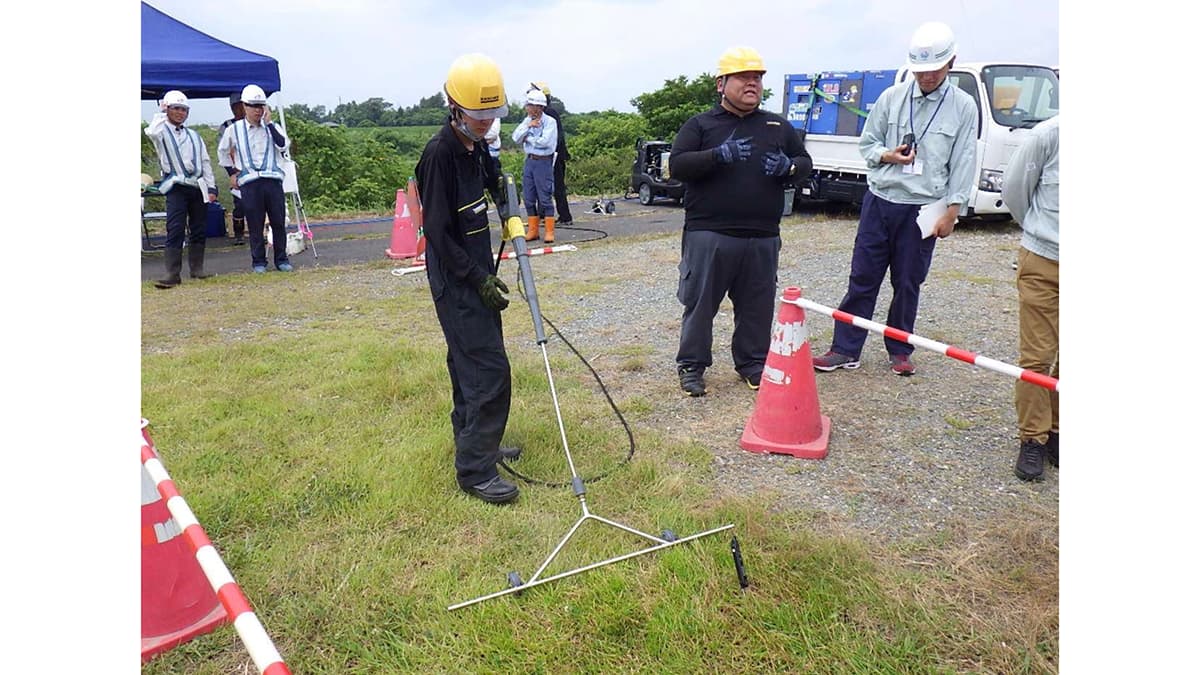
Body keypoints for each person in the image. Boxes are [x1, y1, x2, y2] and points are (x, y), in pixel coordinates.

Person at [812, 21, 977, 376]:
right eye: (919, 71)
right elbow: (867, 143)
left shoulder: (963, 107)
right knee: (863, 277)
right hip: (881, 199)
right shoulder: (892, 97)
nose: (926, 77)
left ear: (951, 63)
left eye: (933, 70)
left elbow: (964, 160)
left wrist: (952, 211)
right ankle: (845, 348)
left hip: (924, 207)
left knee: (907, 281)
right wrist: (889, 155)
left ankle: (900, 348)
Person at [667, 46, 811, 396]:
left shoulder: (776, 125)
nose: (753, 83)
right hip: (710, 233)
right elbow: (678, 165)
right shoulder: (701, 124)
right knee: (700, 305)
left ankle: (752, 364)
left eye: (758, 78)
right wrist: (717, 156)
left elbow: (805, 163)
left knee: (757, 306)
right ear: (721, 83)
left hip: (762, 235)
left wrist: (789, 168)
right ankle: (692, 366)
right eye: (744, 77)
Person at [416, 53, 521, 504]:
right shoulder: (440, 154)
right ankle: (476, 471)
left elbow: (488, 179)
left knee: (468, 364)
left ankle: (476, 443)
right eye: (479, 116)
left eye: (492, 116)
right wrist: (475, 278)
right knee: (488, 370)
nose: (486, 123)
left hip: (478, 272)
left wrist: (499, 186)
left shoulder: (473, 146)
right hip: (458, 280)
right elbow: (437, 232)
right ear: (454, 106)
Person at [1002, 115, 1059, 481]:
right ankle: (1033, 439)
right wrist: (1040, 234)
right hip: (1045, 260)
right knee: (1037, 358)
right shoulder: (1049, 136)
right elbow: (1015, 191)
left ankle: (1058, 432)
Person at [144, 90, 219, 289]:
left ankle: (197, 269)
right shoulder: (160, 131)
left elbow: (205, 162)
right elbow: (151, 131)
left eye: (184, 109)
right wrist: (162, 112)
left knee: (199, 228)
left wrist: (212, 187)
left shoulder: (194, 135)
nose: (180, 113)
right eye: (176, 108)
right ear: (168, 109)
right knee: (175, 228)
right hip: (175, 186)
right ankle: (172, 273)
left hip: (197, 185)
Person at [217, 83, 293, 273]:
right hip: (250, 182)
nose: (258, 110)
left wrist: (269, 124)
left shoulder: (272, 127)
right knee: (255, 223)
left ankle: (281, 259)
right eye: (254, 106)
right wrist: (232, 173)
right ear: (245, 106)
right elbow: (222, 152)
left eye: (261, 106)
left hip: (273, 180)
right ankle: (258, 262)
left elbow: (283, 146)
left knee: (278, 221)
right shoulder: (233, 130)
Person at [511, 88, 558, 243]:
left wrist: (528, 139)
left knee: (544, 197)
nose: (527, 108)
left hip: (543, 162)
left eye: (530, 105)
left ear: (539, 107)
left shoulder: (550, 122)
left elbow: (545, 142)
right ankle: (533, 230)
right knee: (529, 196)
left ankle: (549, 231)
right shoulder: (527, 120)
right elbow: (516, 137)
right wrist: (528, 127)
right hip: (529, 161)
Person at [530, 81, 574, 228]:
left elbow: (553, 138)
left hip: (554, 156)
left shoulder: (548, 114)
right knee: (544, 186)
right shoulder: (547, 113)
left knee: (557, 186)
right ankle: (544, 215)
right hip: (551, 155)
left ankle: (565, 216)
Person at [216, 91, 248, 245]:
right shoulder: (226, 126)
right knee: (240, 203)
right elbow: (224, 151)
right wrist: (232, 173)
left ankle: (260, 232)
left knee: (258, 204)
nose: (240, 110)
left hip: (254, 171)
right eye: (236, 107)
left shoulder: (255, 123)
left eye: (242, 106)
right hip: (236, 170)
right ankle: (239, 233)